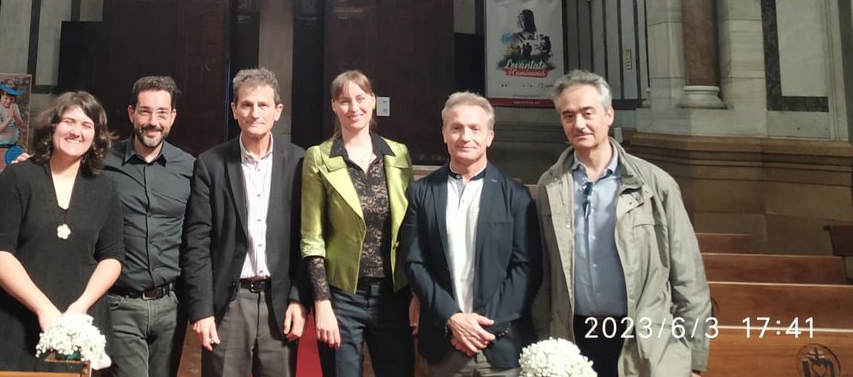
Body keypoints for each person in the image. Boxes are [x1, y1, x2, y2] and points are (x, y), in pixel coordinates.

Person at [533, 71, 712, 377]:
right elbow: (543, 275)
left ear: (609, 114)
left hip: (643, 339)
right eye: (568, 115)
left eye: (588, 113)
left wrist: (694, 358)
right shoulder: (550, 186)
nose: (579, 124)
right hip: (573, 336)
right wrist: (543, 341)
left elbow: (688, 276)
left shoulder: (655, 184)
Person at [0, 91, 124, 371]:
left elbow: (112, 256)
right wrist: (43, 309)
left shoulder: (105, 187)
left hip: (76, 322)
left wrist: (79, 308)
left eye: (87, 125)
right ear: (52, 126)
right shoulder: (17, 178)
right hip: (9, 325)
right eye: (69, 122)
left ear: (96, 135)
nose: (76, 131)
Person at [402, 92, 541, 377]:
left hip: (500, 344)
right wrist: (452, 319)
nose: (465, 136)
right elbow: (414, 262)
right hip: (445, 342)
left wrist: (481, 327)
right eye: (456, 128)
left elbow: (526, 268)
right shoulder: (421, 192)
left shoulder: (515, 196)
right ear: (444, 134)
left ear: (490, 136)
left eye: (475, 128)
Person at [183, 67, 308, 377]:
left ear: (278, 111)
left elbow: (306, 239)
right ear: (234, 110)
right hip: (229, 303)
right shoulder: (210, 164)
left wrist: (298, 298)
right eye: (247, 105)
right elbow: (196, 242)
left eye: (263, 105)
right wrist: (201, 310)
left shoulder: (299, 162)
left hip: (278, 303)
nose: (255, 113)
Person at [300, 70, 414, 377]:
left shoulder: (398, 154)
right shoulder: (319, 157)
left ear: (373, 101)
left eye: (360, 98)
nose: (354, 107)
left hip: (393, 294)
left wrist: (415, 293)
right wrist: (322, 302)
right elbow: (312, 236)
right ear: (334, 106)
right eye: (344, 100)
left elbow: (410, 228)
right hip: (343, 295)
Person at [103, 75, 196, 377]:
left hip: (171, 305)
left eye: (161, 113)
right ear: (131, 113)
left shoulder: (190, 168)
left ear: (172, 117)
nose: (152, 121)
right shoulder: (102, 163)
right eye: (145, 111)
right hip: (121, 303)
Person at [0, 83, 25, 150]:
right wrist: (9, 117)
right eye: (6, 98)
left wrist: (15, 116)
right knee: (0, 160)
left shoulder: (15, 106)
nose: (8, 101)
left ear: (15, 99)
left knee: (11, 160)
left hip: (13, 142)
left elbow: (19, 125)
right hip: (1, 144)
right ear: (0, 97)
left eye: (11, 99)